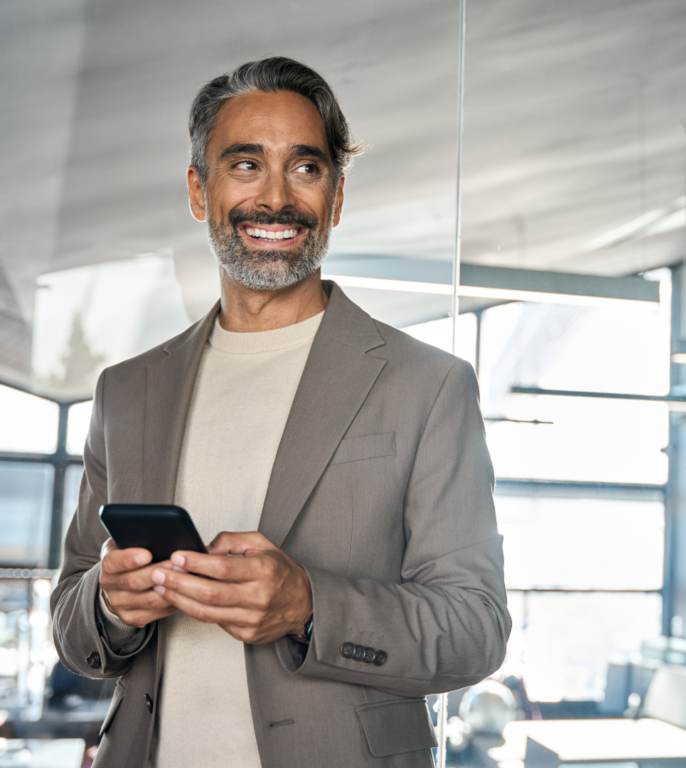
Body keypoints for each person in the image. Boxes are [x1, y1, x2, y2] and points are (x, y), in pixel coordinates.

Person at [52, 57, 510, 768]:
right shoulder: (126, 392)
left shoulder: (428, 386)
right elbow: (73, 629)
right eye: (244, 165)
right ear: (199, 192)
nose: (276, 199)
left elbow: (476, 630)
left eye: (305, 168)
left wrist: (310, 606)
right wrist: (111, 604)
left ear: (336, 197)